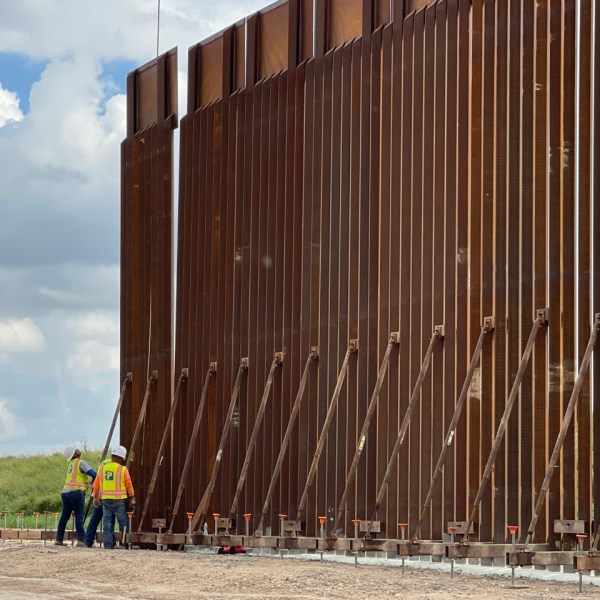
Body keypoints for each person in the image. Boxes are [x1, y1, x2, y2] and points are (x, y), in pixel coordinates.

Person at [92, 445, 136, 549]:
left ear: (112, 456)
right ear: (121, 458)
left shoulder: (102, 469)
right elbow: (128, 484)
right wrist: (132, 496)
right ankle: (126, 544)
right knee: (123, 522)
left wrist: (95, 498)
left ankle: (108, 544)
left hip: (106, 500)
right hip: (119, 501)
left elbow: (96, 485)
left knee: (107, 523)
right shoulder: (122, 469)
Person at [55, 446, 96, 546]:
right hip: (76, 493)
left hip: (65, 492)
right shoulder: (81, 462)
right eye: (75, 450)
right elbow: (93, 473)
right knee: (79, 516)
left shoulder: (71, 464)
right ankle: (81, 539)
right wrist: (99, 477)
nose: (78, 450)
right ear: (74, 454)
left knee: (64, 516)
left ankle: (59, 539)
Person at [83, 456, 110, 547]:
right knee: (109, 520)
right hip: (109, 497)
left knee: (95, 519)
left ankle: (87, 541)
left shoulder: (103, 465)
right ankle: (109, 543)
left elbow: (96, 483)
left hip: (99, 495)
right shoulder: (113, 466)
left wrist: (95, 497)